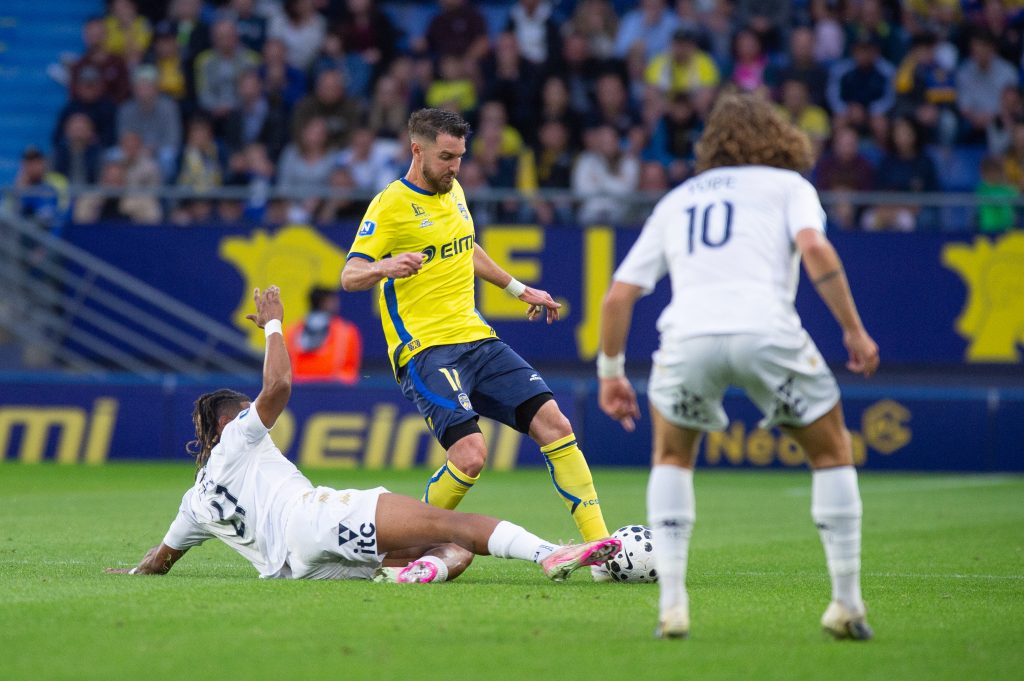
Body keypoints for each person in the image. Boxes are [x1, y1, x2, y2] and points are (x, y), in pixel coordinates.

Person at [597, 93, 880, 640]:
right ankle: (846, 604)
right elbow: (815, 250)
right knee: (831, 452)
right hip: (766, 331)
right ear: (778, 136)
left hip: (688, 338)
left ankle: (672, 607)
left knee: (672, 458)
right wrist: (852, 328)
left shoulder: (678, 199)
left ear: (712, 145)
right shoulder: (789, 186)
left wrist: (611, 374)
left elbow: (617, 296)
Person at [107, 286, 620, 583]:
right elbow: (278, 386)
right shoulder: (239, 437)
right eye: (246, 413)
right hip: (316, 517)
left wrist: (128, 576)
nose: (257, 420)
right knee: (457, 525)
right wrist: (274, 326)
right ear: (228, 423)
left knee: (450, 551)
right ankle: (549, 554)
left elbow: (158, 561)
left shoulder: (194, 502)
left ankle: (413, 574)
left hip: (301, 567)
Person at [340, 108, 614, 579]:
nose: (456, 167)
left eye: (460, 157)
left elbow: (466, 247)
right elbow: (350, 275)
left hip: (477, 339)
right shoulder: (390, 205)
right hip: (426, 349)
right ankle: (403, 548)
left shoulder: (453, 189)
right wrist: (384, 267)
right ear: (417, 151)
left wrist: (519, 289)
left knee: (555, 423)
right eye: (446, 157)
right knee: (469, 456)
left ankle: (602, 551)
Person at [287, 286, 363, 383]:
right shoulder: (347, 332)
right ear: (326, 303)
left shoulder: (291, 330)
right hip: (304, 388)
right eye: (333, 301)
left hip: (334, 388)